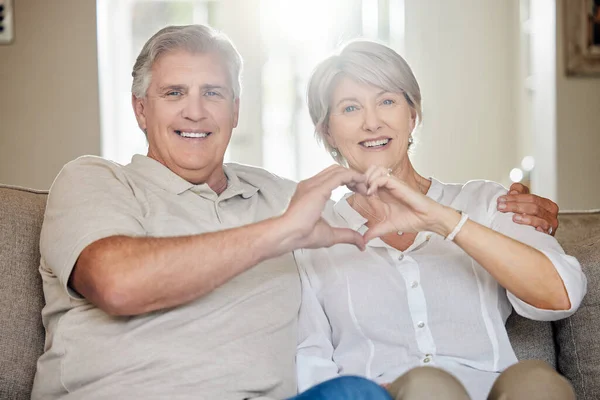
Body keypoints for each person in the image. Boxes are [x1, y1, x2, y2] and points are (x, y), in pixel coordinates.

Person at [31, 24, 560, 400]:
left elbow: (374, 197)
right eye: (175, 93)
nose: (196, 110)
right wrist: (281, 231)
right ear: (140, 109)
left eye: (213, 93)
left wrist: (520, 212)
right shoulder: (95, 180)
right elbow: (117, 283)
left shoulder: (283, 196)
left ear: (235, 110)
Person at [295, 40, 586, 400]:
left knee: (538, 380)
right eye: (350, 108)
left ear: (412, 114)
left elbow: (562, 295)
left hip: (497, 390)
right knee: (428, 386)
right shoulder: (312, 236)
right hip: (391, 394)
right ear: (327, 131)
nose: (372, 122)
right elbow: (309, 355)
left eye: (387, 101)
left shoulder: (484, 201)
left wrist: (445, 222)